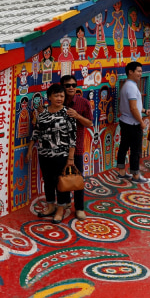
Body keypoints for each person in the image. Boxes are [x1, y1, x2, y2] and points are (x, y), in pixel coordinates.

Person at [27, 83, 76, 224]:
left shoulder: (68, 113)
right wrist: (31, 148)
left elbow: (73, 138)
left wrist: (71, 158)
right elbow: (36, 131)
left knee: (60, 182)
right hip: (44, 154)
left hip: (62, 155)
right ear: (49, 97)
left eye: (62, 95)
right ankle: (50, 207)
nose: (59, 98)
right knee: (48, 181)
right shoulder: (42, 114)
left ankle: (60, 210)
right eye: (56, 95)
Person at [61, 75, 93, 220]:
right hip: (59, 146)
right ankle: (65, 202)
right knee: (61, 176)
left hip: (77, 146)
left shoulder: (83, 103)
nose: (71, 88)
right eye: (68, 85)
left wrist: (77, 116)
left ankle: (79, 207)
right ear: (62, 86)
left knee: (78, 177)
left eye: (74, 85)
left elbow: (89, 123)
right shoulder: (57, 101)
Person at [116, 61, 150, 183]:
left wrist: (145, 110)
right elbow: (133, 108)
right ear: (130, 72)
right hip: (132, 123)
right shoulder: (131, 87)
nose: (140, 74)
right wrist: (141, 122)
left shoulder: (128, 85)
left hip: (125, 121)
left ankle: (121, 172)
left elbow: (134, 106)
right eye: (139, 71)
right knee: (135, 150)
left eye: (141, 72)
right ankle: (135, 176)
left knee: (124, 146)